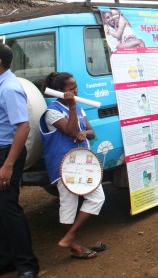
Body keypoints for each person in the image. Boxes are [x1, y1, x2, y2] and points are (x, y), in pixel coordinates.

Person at [38, 72, 106, 260]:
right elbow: (70, 131)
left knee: (97, 198)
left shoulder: (80, 110)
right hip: (64, 166)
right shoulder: (52, 112)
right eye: (71, 88)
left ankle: (70, 238)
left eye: (76, 87)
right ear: (61, 92)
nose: (76, 91)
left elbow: (90, 132)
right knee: (68, 205)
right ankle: (74, 245)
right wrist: (73, 106)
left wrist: (84, 132)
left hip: (83, 164)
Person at [0, 44, 39, 278]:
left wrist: (8, 164)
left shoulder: (9, 88)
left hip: (7, 153)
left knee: (8, 207)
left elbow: (23, 127)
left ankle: (27, 265)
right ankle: (7, 260)